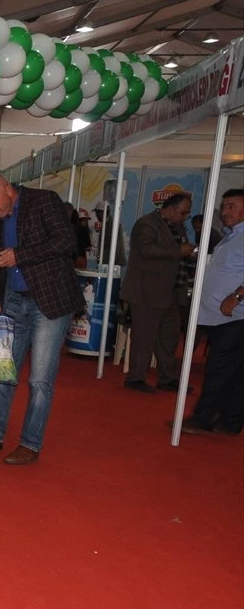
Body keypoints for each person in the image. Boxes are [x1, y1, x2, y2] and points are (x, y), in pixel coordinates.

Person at [0, 171, 83, 466]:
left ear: (6, 188)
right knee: (0, 373)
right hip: (13, 301)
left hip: (49, 303)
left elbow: (66, 242)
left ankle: (30, 443)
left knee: (40, 380)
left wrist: (20, 255)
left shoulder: (43, 201)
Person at [181, 187, 244, 436]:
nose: (224, 211)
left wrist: (238, 294)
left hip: (235, 315)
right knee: (236, 371)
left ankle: (203, 417)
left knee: (219, 368)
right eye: (224, 205)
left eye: (231, 206)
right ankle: (230, 420)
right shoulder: (232, 236)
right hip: (222, 317)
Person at [121, 193, 193, 393]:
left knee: (169, 338)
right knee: (144, 338)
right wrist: (180, 251)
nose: (186, 216)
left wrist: (189, 253)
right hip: (147, 291)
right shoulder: (146, 224)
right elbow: (147, 250)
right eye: (183, 212)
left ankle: (168, 378)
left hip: (172, 291)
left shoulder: (177, 227)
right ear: (169, 208)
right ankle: (135, 378)